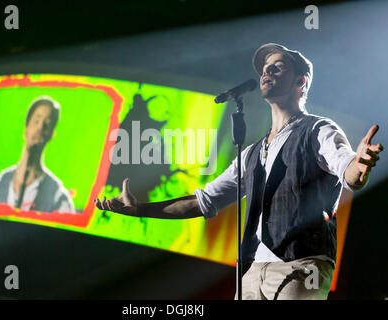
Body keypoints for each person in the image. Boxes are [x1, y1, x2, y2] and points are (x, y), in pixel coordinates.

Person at [94, 43, 383, 299]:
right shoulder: (253, 153)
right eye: (265, 69)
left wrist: (361, 164)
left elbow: (349, 171)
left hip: (301, 265)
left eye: (277, 68)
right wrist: (141, 209)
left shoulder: (318, 130)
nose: (267, 73)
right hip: (252, 270)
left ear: (300, 82)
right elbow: (203, 201)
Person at [0, 96, 76, 214]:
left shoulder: (58, 198)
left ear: (52, 134)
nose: (40, 127)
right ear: (26, 127)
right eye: (36, 121)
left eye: (47, 123)